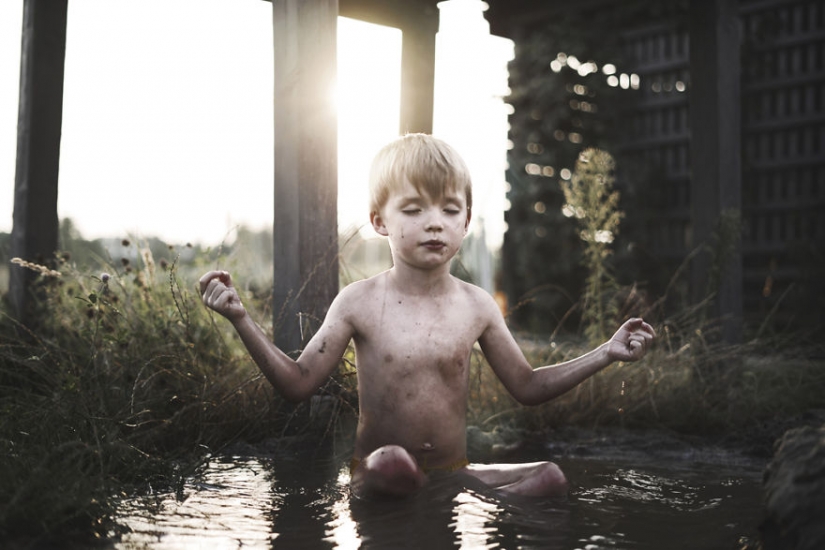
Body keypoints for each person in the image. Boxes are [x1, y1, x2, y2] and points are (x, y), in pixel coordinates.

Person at [199, 133, 655, 499]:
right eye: (414, 210)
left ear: (466, 221)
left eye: (449, 210)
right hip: (377, 472)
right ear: (380, 221)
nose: (434, 222)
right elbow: (297, 384)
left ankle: (441, 498)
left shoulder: (477, 305)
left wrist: (606, 353)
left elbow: (528, 387)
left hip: (454, 473)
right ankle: (411, 497)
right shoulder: (358, 302)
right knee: (396, 464)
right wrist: (241, 318)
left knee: (549, 477)